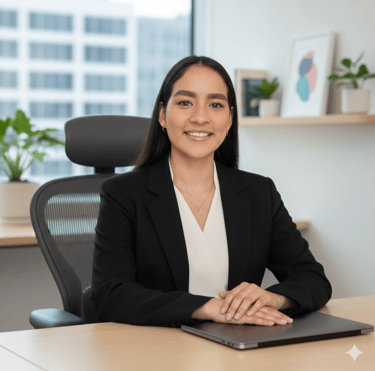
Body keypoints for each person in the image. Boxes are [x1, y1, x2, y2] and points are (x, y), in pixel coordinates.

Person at [90, 55, 332, 328]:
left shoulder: (258, 192)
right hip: (156, 352)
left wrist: (273, 299)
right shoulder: (123, 193)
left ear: (229, 119)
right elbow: (109, 294)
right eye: (185, 103)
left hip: (239, 349)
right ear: (162, 115)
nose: (201, 118)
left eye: (215, 105)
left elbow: (313, 279)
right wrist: (206, 308)